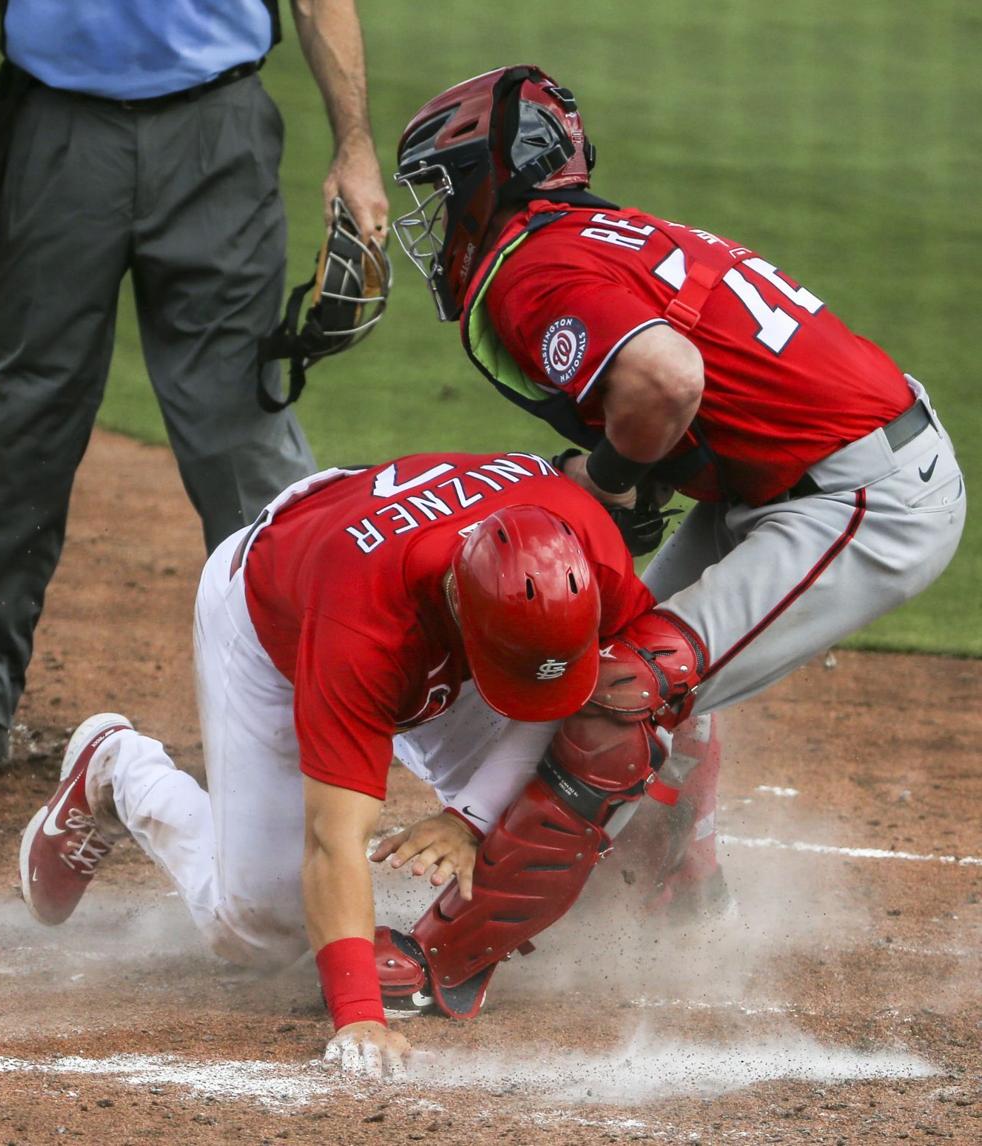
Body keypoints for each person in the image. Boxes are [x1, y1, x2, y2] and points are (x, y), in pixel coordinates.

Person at [379, 65, 967, 1001]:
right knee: (622, 654)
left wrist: (610, 482)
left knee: (615, 692)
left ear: (498, 173)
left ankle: (444, 957)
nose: (437, 216)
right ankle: (686, 901)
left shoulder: (534, 270)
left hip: (861, 501)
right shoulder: (598, 233)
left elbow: (663, 380)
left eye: (445, 187)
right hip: (793, 479)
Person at [19, 449, 701, 1078]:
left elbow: (602, 694)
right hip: (276, 617)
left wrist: (469, 819)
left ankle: (685, 888)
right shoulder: (361, 633)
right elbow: (332, 839)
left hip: (392, 561)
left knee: (586, 799)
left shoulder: (579, 552)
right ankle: (120, 773)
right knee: (261, 928)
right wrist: (359, 1016)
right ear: (462, 610)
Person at [0, 0, 388, 768]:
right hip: (51, 130)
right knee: (20, 423)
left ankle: (308, 707)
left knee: (240, 428)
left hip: (218, 131)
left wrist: (355, 145)